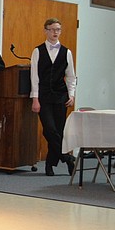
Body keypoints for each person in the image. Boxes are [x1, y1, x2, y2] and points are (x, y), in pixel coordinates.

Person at [30, 18, 76, 176]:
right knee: (49, 130)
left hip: (60, 96)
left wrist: (72, 94)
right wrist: (35, 98)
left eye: (58, 29)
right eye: (52, 29)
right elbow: (34, 77)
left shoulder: (66, 52)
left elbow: (71, 76)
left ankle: (50, 164)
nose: (55, 32)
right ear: (45, 30)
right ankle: (68, 159)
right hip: (43, 96)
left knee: (58, 131)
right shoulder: (38, 51)